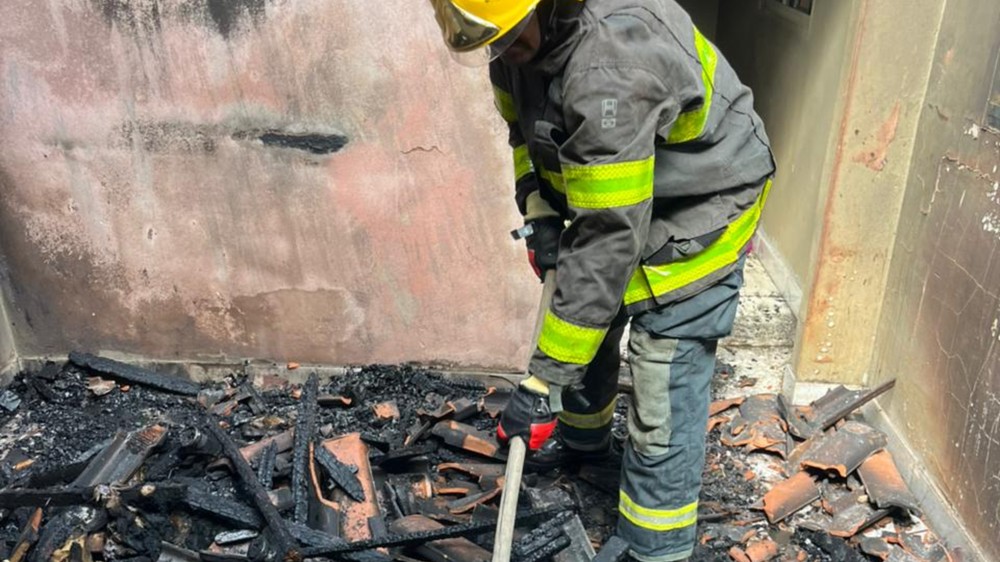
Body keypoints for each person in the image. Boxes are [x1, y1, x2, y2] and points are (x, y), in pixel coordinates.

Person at [428, 1, 775, 560]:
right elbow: (523, 133)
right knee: (584, 314)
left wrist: (540, 385)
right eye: (492, 44)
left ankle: (654, 544)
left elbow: (609, 238)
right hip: (622, 193)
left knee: (662, 376)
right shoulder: (512, 42)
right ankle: (583, 440)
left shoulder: (610, 68)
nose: (502, 53)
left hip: (702, 203)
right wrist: (539, 207)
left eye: (511, 38)